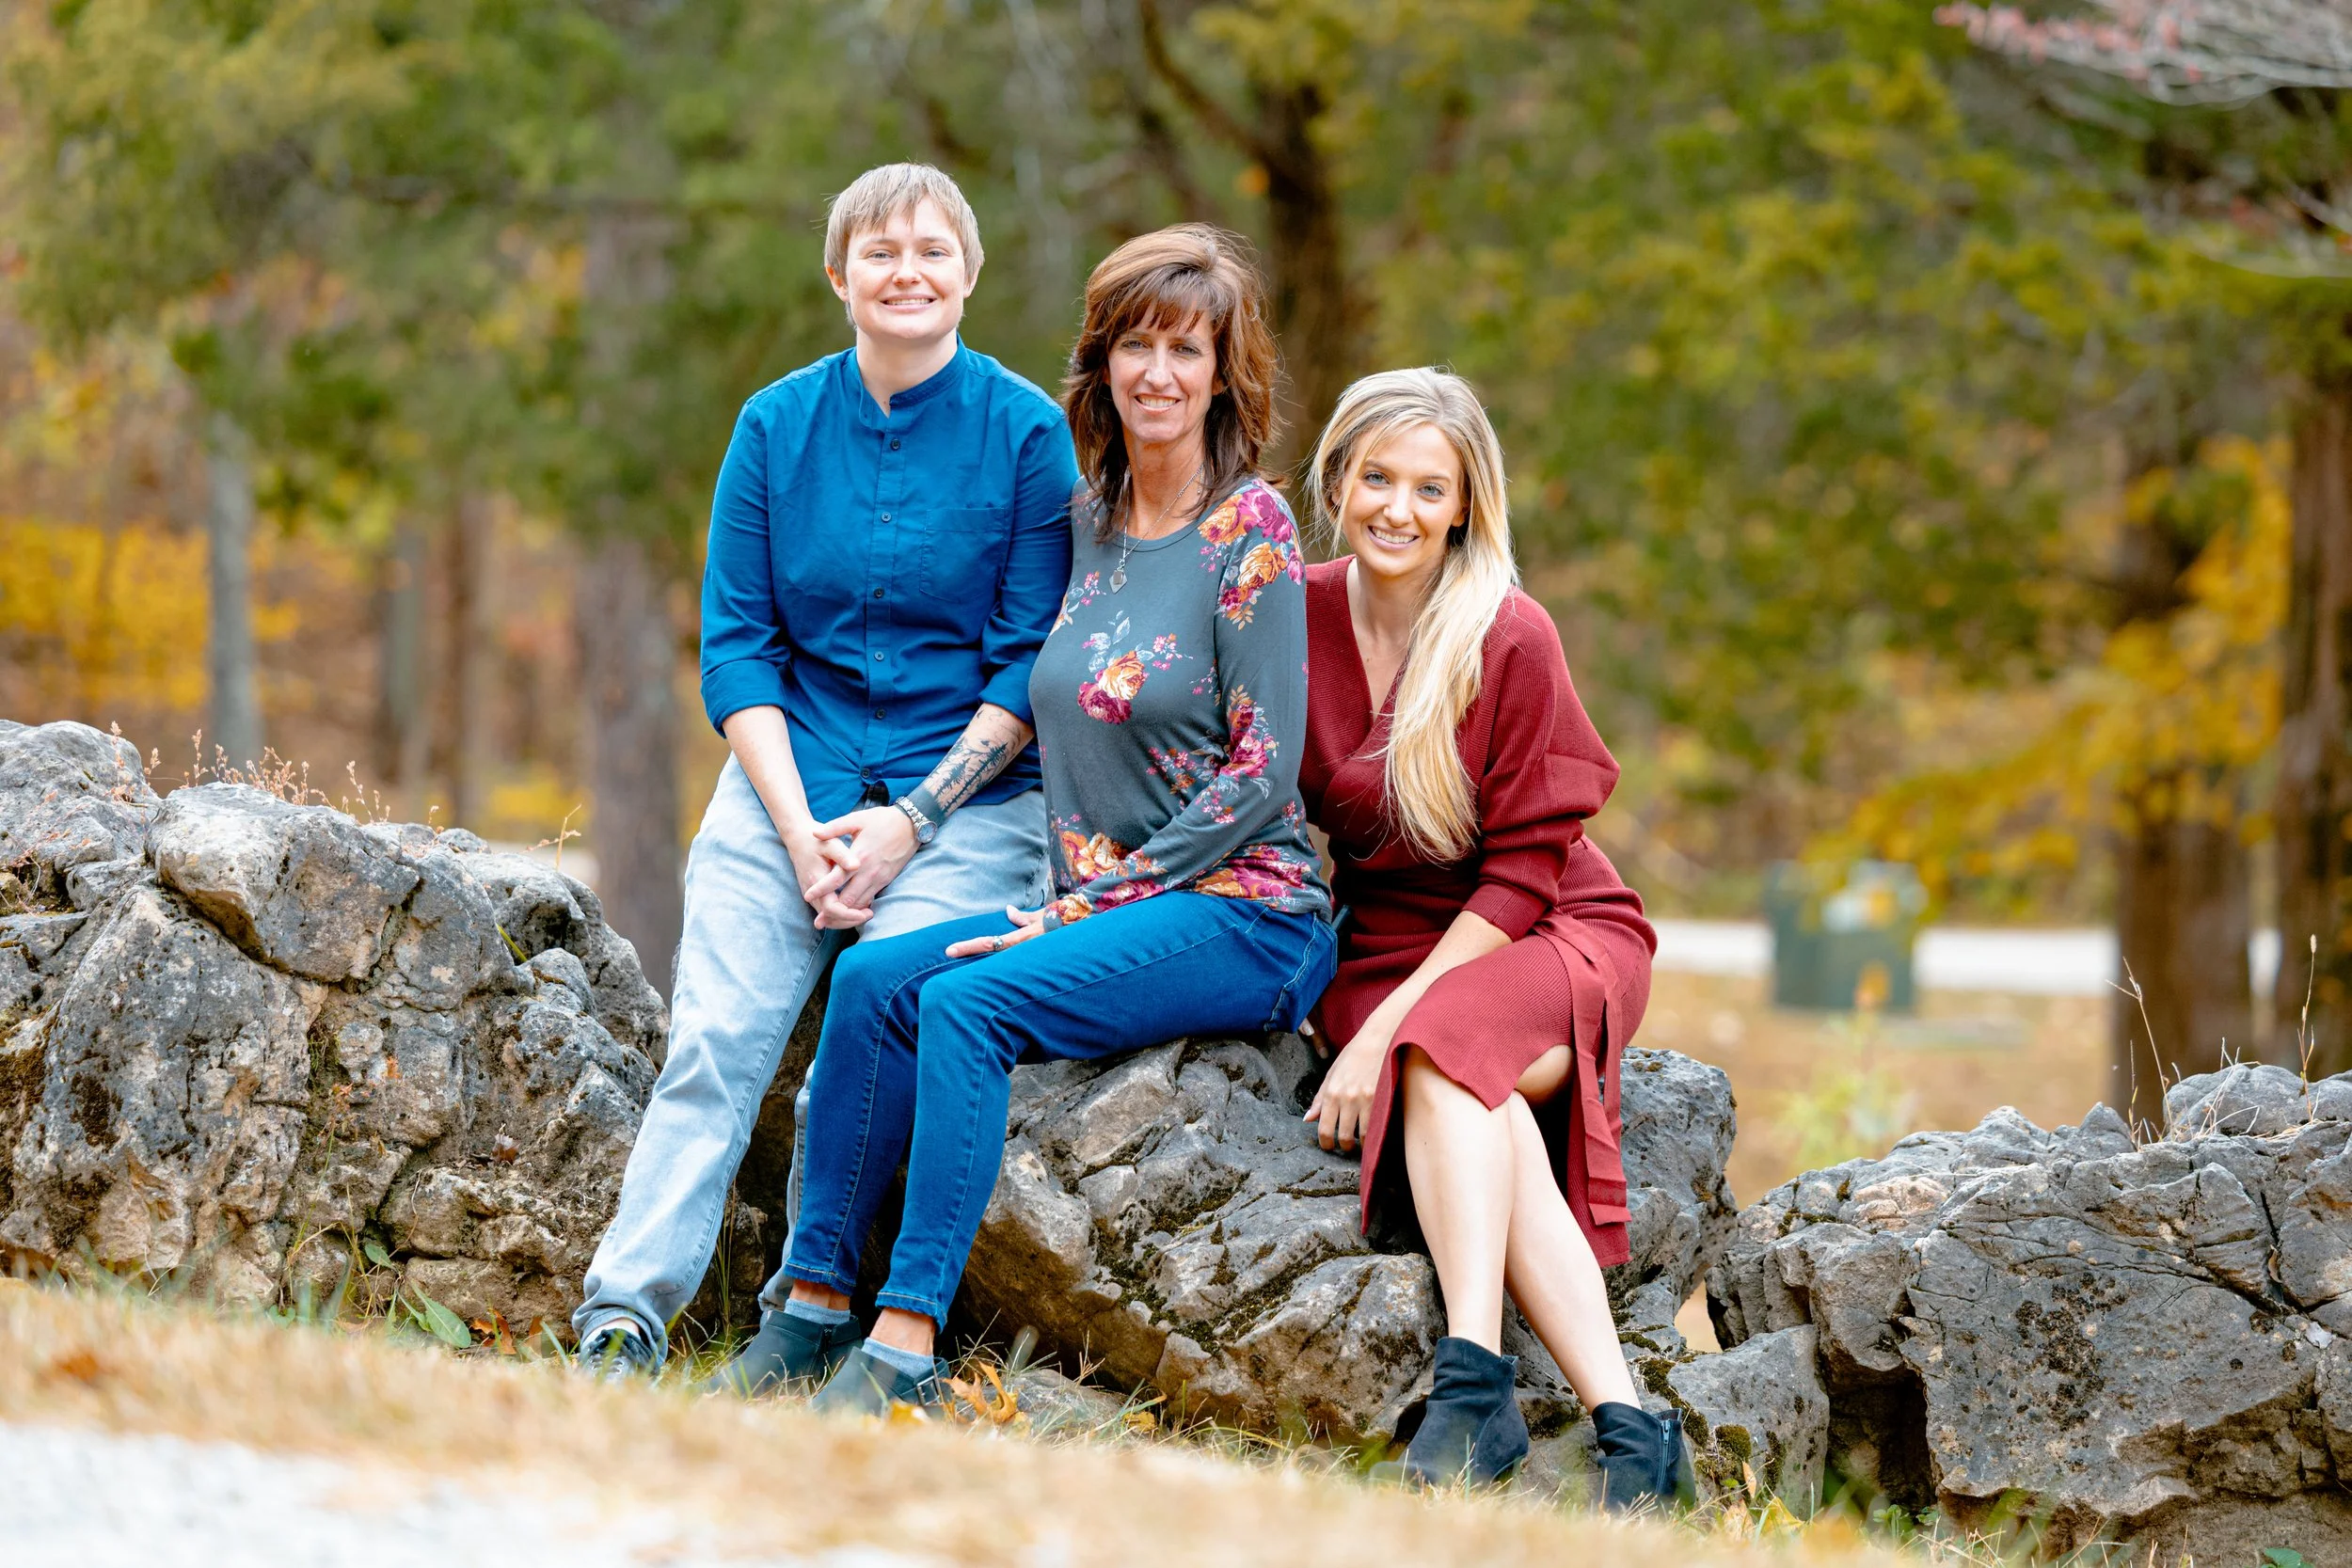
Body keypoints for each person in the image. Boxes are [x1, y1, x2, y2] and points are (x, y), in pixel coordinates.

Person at [768, 224, 1336, 1416]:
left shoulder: (1251, 533)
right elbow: (1013, 703)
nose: (1159, 372)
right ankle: (812, 1305)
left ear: (1224, 373)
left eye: (1188, 347)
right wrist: (915, 819)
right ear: (1102, 363)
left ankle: (903, 1340)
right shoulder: (1081, 522)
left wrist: (1084, 903)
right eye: (1136, 343)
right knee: (878, 984)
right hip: (1095, 901)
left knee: (970, 1000)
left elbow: (1262, 773)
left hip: (1244, 909)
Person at [571, 164, 1079, 1386]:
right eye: (880, 250)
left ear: (970, 272)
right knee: (716, 1039)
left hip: (961, 805)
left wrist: (909, 824)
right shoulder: (775, 425)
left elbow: (1023, 671)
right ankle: (625, 1312)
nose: (907, 270)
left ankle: (807, 1310)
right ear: (839, 275)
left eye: (932, 249)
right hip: (783, 780)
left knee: (879, 1025)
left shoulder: (1027, 435)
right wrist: (799, 830)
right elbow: (738, 645)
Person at [1295, 368, 1682, 1507]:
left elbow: (1522, 873)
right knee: (1477, 1097)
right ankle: (1633, 1435)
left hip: (1552, 924)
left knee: (1433, 1050)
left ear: (1465, 503)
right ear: (1336, 479)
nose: (1397, 509)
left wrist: (1379, 1040)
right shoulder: (1294, 613)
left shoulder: (1507, 632)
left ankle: (1471, 1382)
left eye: (1429, 486)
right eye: (1376, 477)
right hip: (1383, 938)